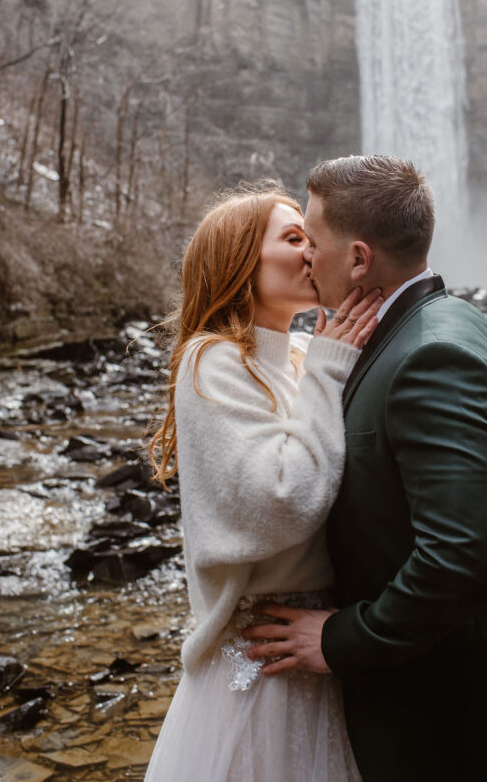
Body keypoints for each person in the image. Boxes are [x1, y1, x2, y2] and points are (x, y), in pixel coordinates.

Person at [244, 155, 487, 782]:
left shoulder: (433, 357)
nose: (304, 259)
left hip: (460, 721)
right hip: (452, 700)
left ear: (358, 260)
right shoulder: (431, 326)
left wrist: (340, 639)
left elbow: (459, 562)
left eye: (312, 244)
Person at [143, 183, 383, 782]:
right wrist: (331, 368)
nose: (311, 252)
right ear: (239, 260)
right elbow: (282, 500)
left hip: (322, 645)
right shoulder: (213, 358)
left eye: (313, 238)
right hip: (264, 657)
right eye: (293, 238)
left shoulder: (305, 352)